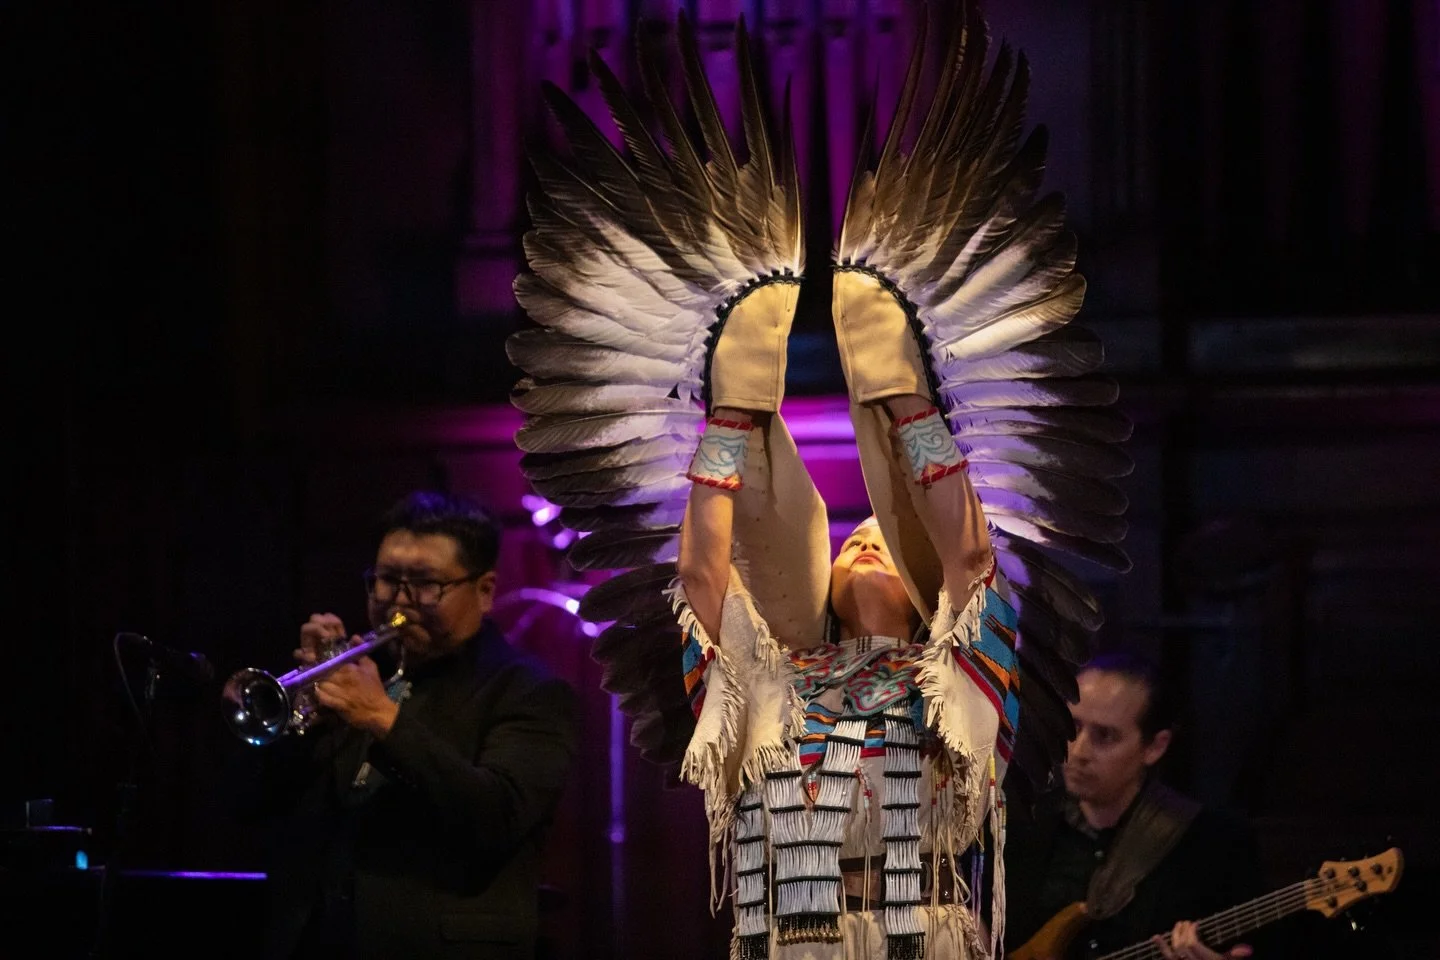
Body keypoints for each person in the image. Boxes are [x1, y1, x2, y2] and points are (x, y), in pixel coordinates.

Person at [505, 6, 1130, 958]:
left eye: (877, 531)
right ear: (822, 589)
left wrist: (901, 399)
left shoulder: (960, 679)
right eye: (851, 538)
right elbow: (705, 584)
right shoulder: (765, 689)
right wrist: (729, 424)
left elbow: (967, 553)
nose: (867, 535)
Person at [226, 489, 579, 960]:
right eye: (387, 580)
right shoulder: (361, 677)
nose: (400, 601)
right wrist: (303, 717)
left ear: (485, 590)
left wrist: (382, 720)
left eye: (426, 584)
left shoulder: (529, 691)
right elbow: (249, 805)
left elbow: (497, 816)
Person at [1002, 651, 1273, 960]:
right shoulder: (1018, 824)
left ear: (1155, 747)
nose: (1078, 751)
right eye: (1073, 727)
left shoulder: (1217, 845)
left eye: (1104, 736)